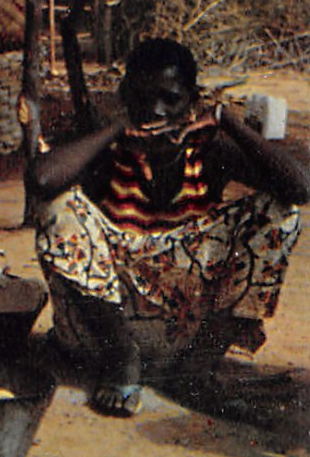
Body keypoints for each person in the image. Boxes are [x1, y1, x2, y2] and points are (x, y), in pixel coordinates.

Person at [30, 38, 309, 417]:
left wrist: (227, 121)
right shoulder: (108, 152)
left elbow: (299, 189)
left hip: (184, 334)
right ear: (125, 95)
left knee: (279, 214)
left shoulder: (208, 152)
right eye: (142, 98)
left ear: (191, 100)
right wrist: (116, 129)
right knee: (57, 208)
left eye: (170, 99)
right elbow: (42, 181)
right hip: (105, 333)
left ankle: (197, 369)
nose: (155, 111)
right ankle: (123, 361)